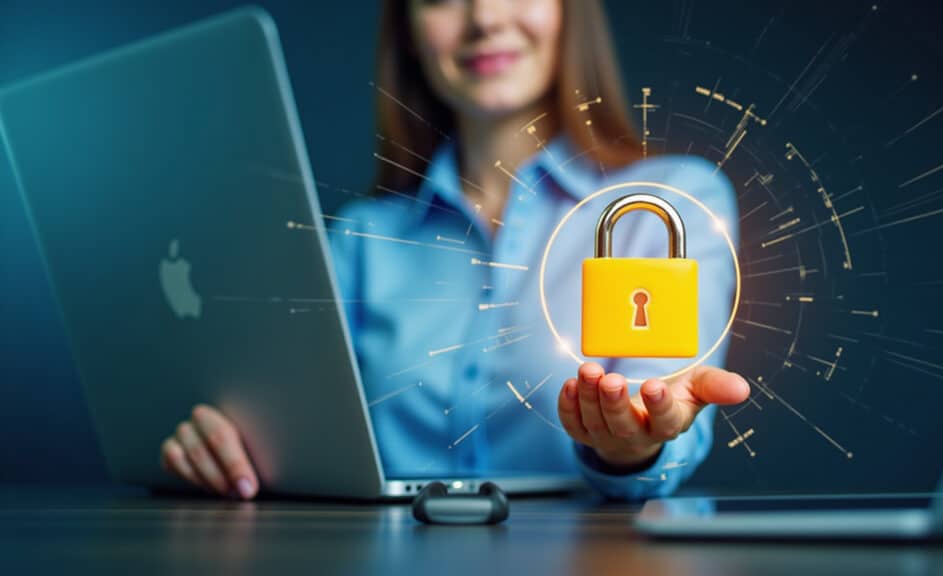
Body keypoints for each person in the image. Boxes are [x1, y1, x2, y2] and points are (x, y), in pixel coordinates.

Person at [159, 0, 749, 501]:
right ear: (408, 31)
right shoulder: (361, 238)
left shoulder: (670, 203)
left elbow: (663, 416)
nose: (484, 19)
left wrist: (633, 445)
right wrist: (228, 445)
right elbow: (299, 437)